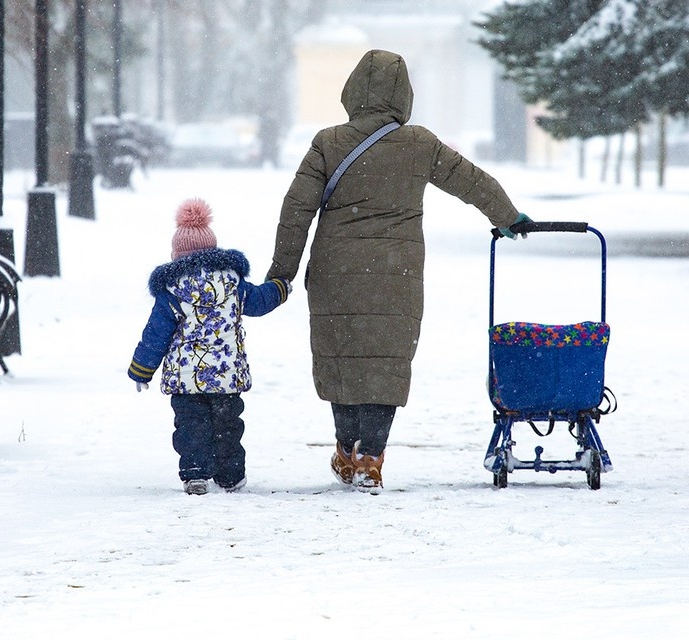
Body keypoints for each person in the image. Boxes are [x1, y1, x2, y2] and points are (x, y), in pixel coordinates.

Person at [265, 49, 529, 494]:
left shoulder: (328, 142)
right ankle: (371, 457)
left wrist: (282, 273)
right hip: (396, 275)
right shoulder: (420, 144)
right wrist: (506, 215)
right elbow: (471, 180)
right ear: (404, 95)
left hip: (336, 273)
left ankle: (346, 451)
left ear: (351, 92)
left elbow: (297, 211)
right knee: (384, 364)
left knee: (343, 360)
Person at [129, 198, 292, 495]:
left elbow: (156, 334)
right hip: (226, 376)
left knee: (191, 428)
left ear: (177, 255)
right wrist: (280, 288)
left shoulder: (172, 291)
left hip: (186, 378)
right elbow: (259, 302)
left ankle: (195, 474)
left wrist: (142, 369)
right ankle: (230, 477)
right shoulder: (233, 284)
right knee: (228, 427)